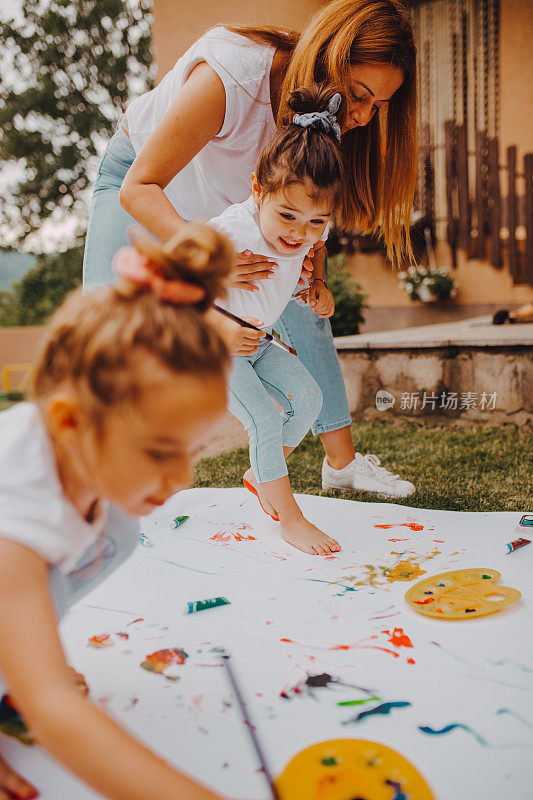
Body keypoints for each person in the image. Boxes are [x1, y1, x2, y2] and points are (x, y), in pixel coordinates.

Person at [82, 0, 417, 502]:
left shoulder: (322, 120)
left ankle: (342, 465)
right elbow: (140, 187)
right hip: (142, 180)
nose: (364, 117)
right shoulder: (233, 75)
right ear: (327, 58)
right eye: (359, 96)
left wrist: (309, 275)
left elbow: (309, 227)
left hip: (225, 212)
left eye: (378, 105)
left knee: (303, 305)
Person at [0, 225, 252, 800]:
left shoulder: (81, 468)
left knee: (117, 531)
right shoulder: (12, 521)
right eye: (161, 452)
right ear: (69, 422)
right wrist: (37, 683)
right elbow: (53, 709)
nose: (182, 478)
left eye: (193, 451)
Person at [210, 84, 343, 555]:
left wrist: (318, 286)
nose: (299, 233)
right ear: (256, 190)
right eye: (287, 215)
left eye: (315, 221)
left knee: (309, 398)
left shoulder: (307, 232)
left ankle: (260, 476)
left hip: (259, 342)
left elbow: (316, 249)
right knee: (264, 420)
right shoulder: (232, 231)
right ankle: (290, 518)